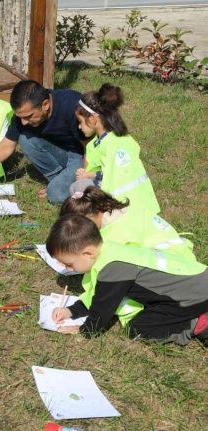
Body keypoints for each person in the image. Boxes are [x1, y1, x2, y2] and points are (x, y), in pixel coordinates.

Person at [46, 213, 208, 345]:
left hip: (193, 296)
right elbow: (99, 295)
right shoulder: (111, 250)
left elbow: (102, 308)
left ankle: (199, 323)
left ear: (88, 253)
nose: (68, 269)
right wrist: (71, 311)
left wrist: (86, 331)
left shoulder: (112, 270)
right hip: (198, 279)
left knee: (137, 329)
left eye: (69, 264)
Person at [0, 80, 88, 205]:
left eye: (29, 116)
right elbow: (6, 146)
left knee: (56, 195)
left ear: (45, 105)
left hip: (81, 153)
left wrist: (85, 178)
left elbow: (92, 148)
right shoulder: (22, 115)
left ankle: (68, 185)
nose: (24, 122)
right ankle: (56, 179)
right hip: (60, 148)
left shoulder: (72, 106)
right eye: (20, 117)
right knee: (25, 139)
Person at [72, 83, 161, 215]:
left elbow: (113, 175)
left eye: (80, 121)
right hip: (128, 199)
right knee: (77, 187)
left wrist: (88, 176)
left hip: (129, 204)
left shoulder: (114, 144)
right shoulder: (100, 142)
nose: (79, 127)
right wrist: (84, 174)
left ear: (92, 118)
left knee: (79, 189)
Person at [61, 186, 194, 261]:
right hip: (181, 250)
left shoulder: (112, 235)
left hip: (171, 263)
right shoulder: (121, 210)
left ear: (89, 219)